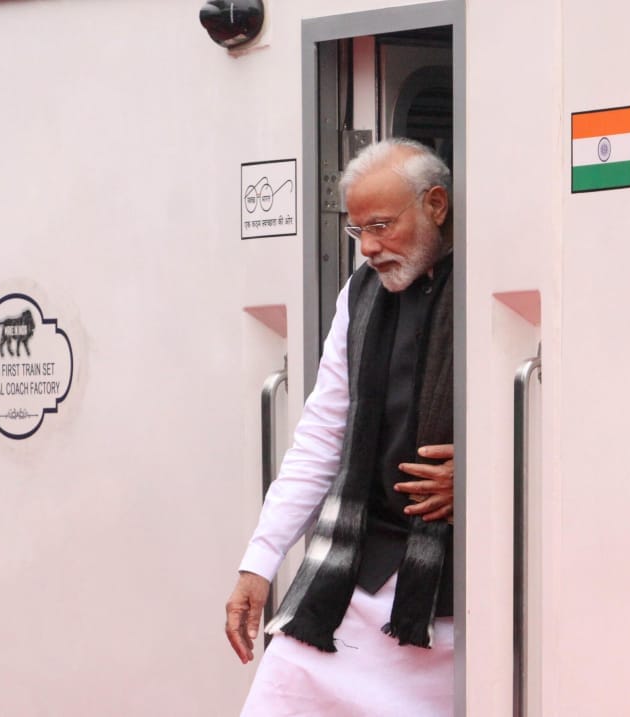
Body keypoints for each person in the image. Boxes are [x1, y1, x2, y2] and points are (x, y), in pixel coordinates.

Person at [225, 137, 457, 716]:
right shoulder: (360, 295)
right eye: (358, 233)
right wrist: (261, 561)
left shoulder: (488, 281)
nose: (370, 249)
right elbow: (322, 435)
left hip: (457, 590)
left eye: (381, 226)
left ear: (436, 204)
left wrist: (479, 476)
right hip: (356, 575)